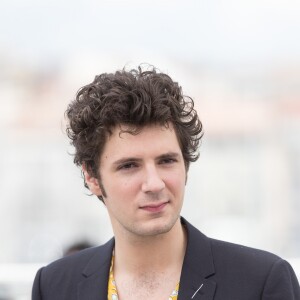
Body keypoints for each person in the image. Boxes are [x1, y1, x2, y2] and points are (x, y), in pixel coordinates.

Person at [32, 65, 300, 299]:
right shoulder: (54, 286)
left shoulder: (261, 282)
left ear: (186, 165)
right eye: (129, 166)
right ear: (92, 177)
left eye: (166, 161)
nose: (154, 183)